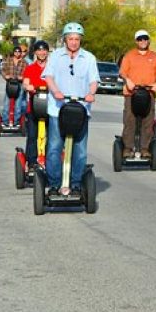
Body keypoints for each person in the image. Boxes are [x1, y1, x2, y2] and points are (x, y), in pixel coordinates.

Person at [42, 22, 99, 196]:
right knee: (54, 147)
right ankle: (54, 183)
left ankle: (75, 183)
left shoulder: (89, 58)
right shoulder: (56, 56)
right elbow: (48, 77)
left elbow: (94, 81)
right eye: (70, 38)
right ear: (65, 39)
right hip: (58, 110)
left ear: (80, 40)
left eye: (77, 39)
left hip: (81, 110)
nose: (74, 42)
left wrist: (91, 93)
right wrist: (56, 91)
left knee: (80, 151)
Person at [119, 29, 156, 158]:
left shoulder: (154, 57)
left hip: (148, 93)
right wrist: (128, 81)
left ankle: (145, 148)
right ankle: (127, 148)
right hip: (131, 93)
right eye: (140, 39)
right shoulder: (129, 55)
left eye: (145, 38)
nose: (143, 41)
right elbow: (123, 72)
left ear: (148, 40)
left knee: (148, 121)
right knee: (130, 120)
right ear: (136, 41)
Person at [21, 40, 51, 170]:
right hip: (34, 106)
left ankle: (50, 161)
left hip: (50, 107)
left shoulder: (52, 68)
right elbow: (25, 83)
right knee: (33, 136)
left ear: (47, 52)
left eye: (44, 50)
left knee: (52, 137)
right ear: (35, 52)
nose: (42, 52)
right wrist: (29, 86)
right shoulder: (30, 68)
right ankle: (32, 162)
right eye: (39, 50)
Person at [0, 46, 26, 124]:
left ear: (21, 53)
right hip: (10, 84)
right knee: (6, 103)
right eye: (16, 51)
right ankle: (5, 121)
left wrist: (22, 77)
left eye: (19, 52)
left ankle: (16, 121)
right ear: (14, 52)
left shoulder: (24, 62)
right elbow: (2, 69)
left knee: (18, 104)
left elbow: (27, 73)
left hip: (20, 85)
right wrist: (6, 76)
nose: (17, 53)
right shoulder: (8, 60)